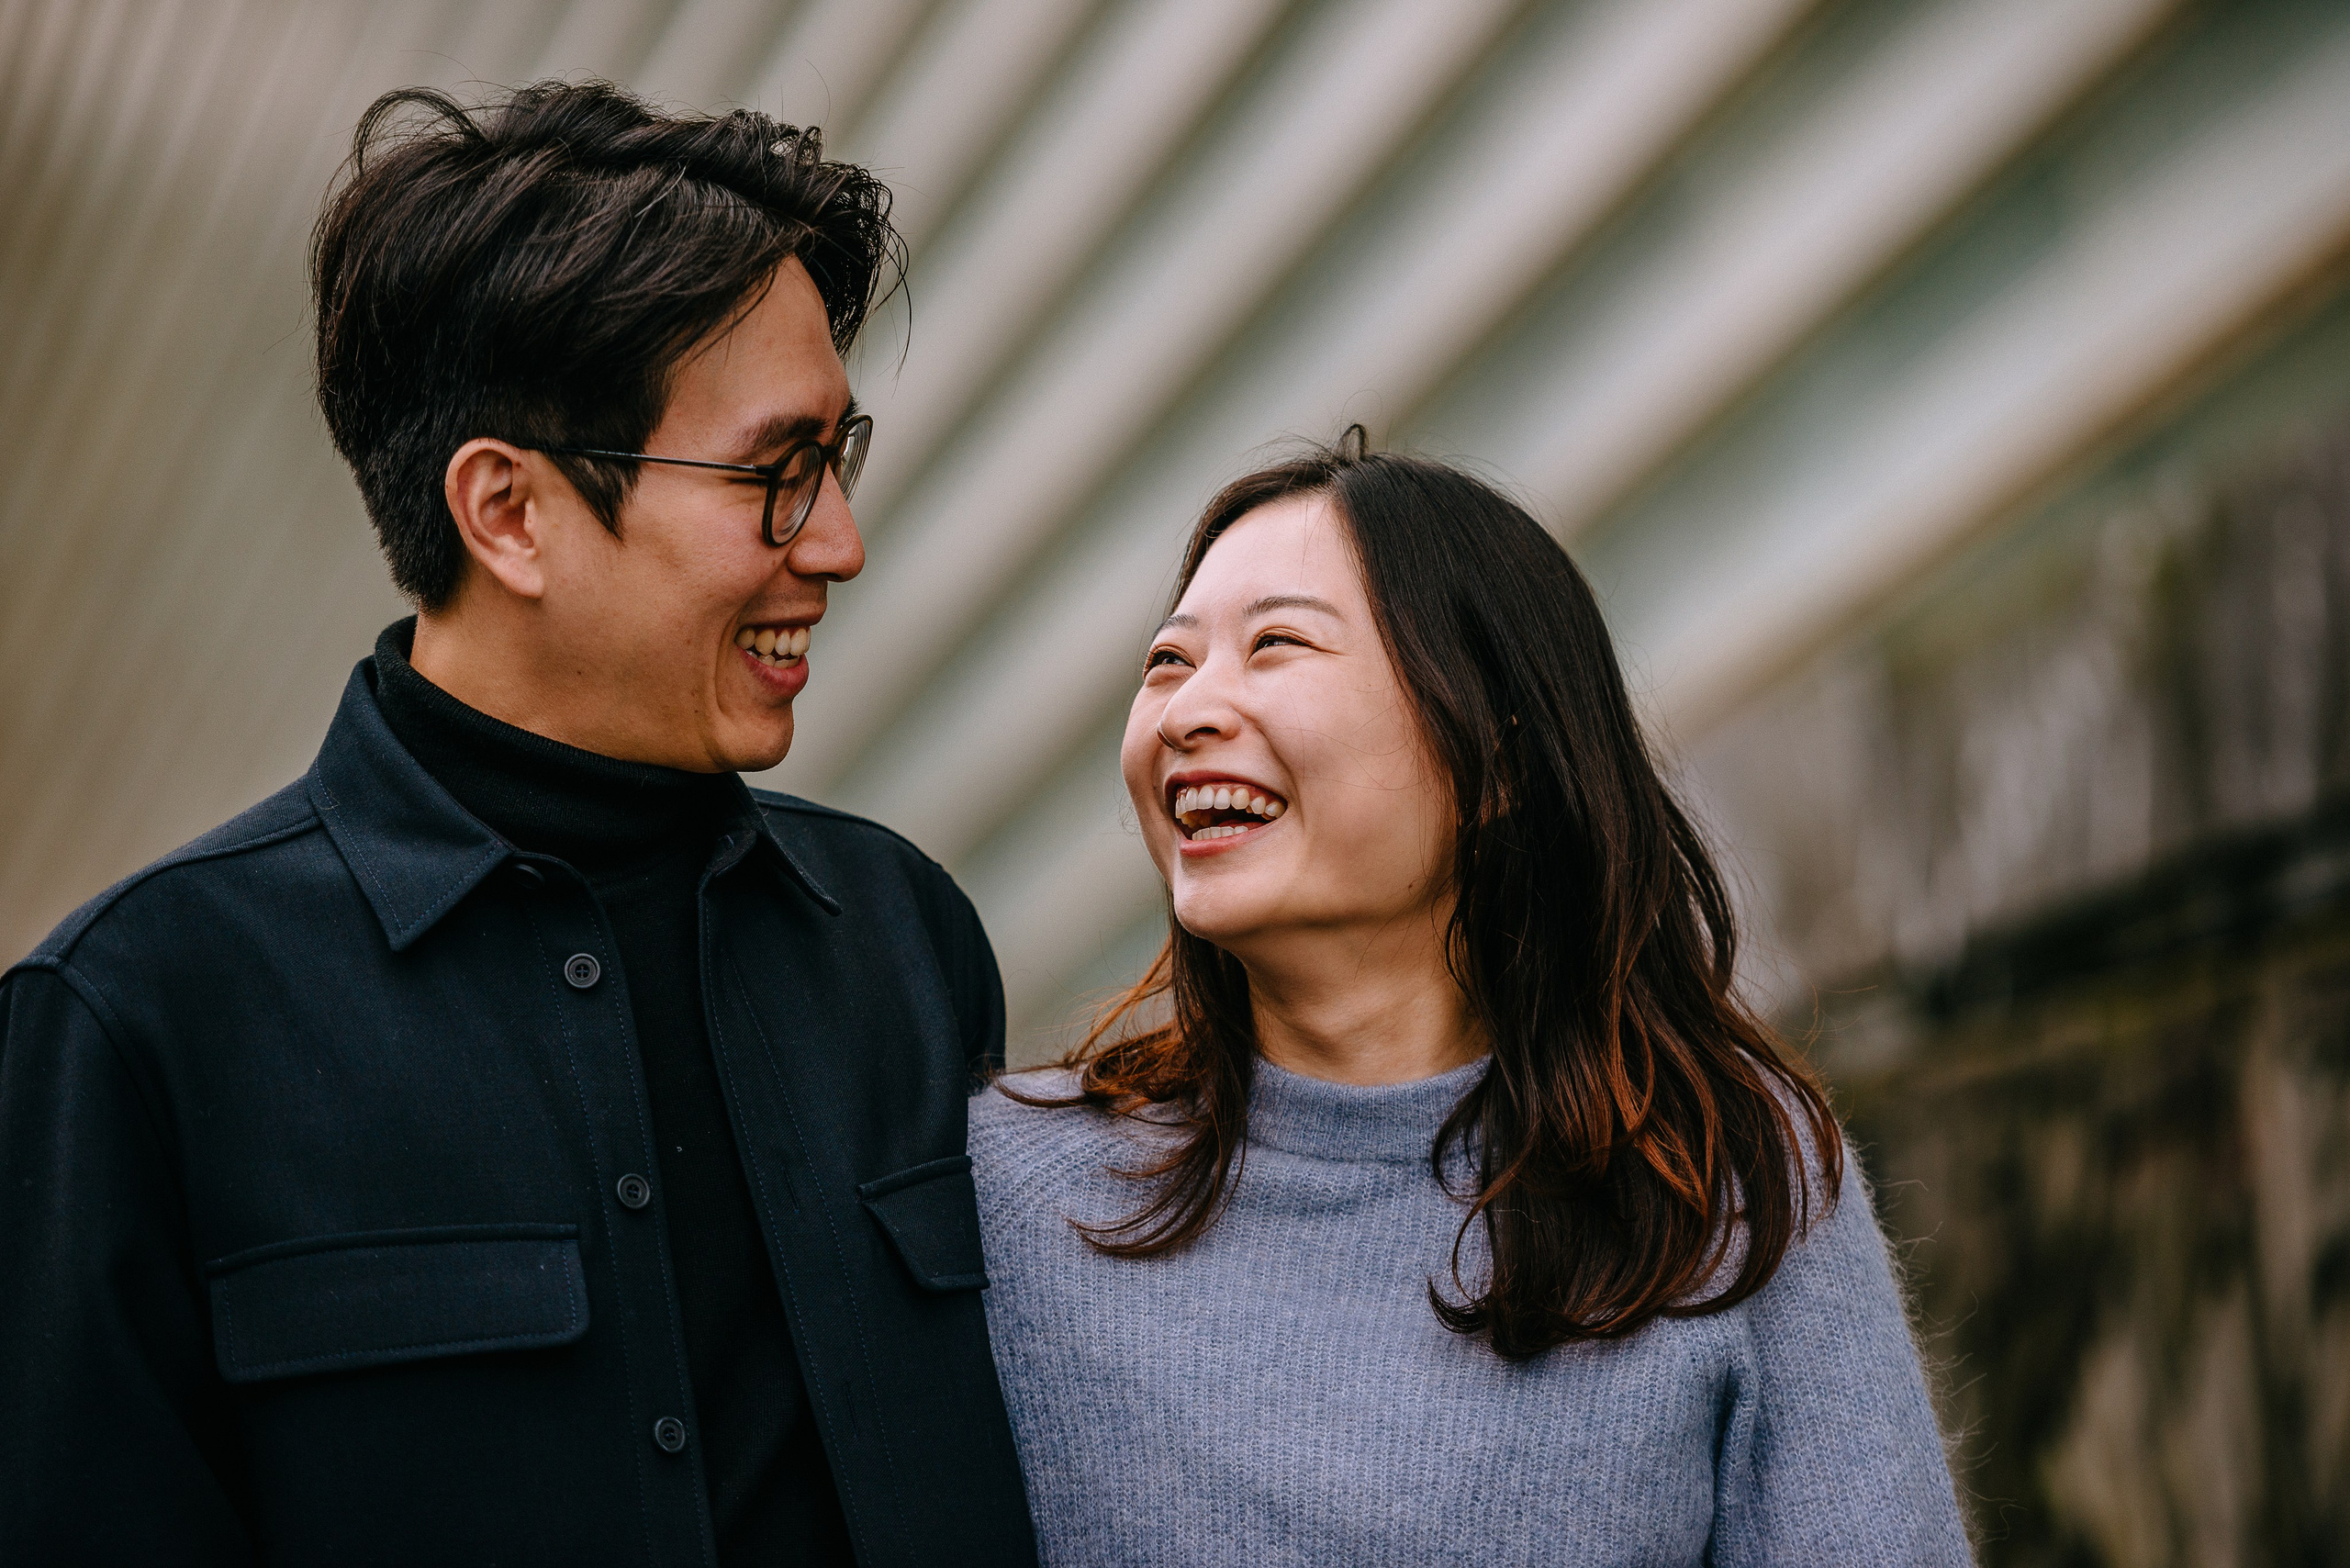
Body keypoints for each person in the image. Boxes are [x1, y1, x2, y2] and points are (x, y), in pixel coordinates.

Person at [0, 84, 1035, 1566]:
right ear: (507, 511)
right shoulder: (135, 1024)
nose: (838, 542)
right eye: (772, 474)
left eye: (836, 457)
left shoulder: (903, 940)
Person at [971, 431, 1975, 1566]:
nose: (1189, 711)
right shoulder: (1005, 1190)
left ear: (1495, 761)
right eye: (1167, 661)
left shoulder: (1726, 1179)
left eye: (1277, 646)